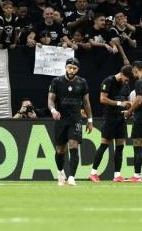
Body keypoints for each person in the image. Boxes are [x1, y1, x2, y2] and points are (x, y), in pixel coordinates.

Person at [48, 57, 92, 186]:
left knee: (73, 145)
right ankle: (61, 172)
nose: (71, 70)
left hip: (75, 120)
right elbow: (50, 99)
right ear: (65, 67)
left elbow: (86, 103)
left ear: (77, 69)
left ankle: (72, 177)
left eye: (74, 68)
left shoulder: (82, 82)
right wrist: (53, 110)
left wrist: (90, 120)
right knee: (60, 150)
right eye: (69, 67)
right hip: (61, 119)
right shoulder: (56, 81)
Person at [89, 65, 133, 183]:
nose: (126, 82)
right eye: (126, 79)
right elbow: (102, 99)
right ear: (121, 74)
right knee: (104, 145)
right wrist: (120, 103)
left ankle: (117, 175)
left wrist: (128, 107)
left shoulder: (126, 85)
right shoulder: (108, 81)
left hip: (121, 118)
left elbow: (127, 100)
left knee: (120, 147)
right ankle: (93, 173)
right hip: (110, 118)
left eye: (128, 80)